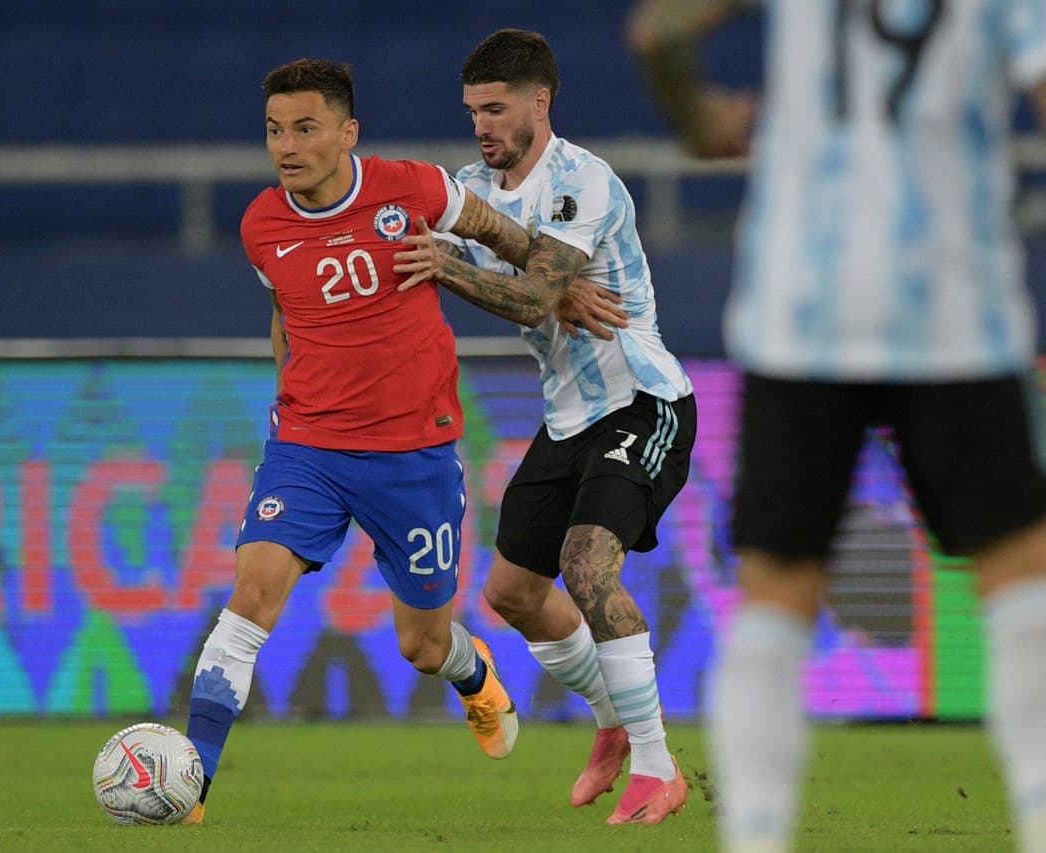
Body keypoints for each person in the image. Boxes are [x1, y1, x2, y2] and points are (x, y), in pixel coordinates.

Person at [627, 2, 1046, 851]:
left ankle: (755, 834)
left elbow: (660, 32)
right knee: (1020, 584)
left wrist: (703, 119)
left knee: (775, 596)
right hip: (956, 306)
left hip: (802, 304)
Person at [182, 57, 588, 825]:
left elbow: (508, 238)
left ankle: (476, 681)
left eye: (305, 128)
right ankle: (188, 781)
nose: (287, 146)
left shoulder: (416, 189)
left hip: (415, 455)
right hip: (307, 450)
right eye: (274, 130)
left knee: (423, 645)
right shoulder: (260, 225)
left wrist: (562, 282)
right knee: (250, 599)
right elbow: (285, 315)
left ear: (347, 133)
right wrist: (289, 399)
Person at [393, 28, 696, 825]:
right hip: (568, 416)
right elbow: (495, 267)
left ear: (540, 101)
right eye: (472, 112)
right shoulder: (471, 186)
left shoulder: (581, 180)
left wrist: (451, 263)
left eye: (496, 109)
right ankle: (614, 721)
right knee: (514, 593)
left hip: (643, 398)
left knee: (587, 566)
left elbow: (530, 297)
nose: (483, 126)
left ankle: (660, 770)